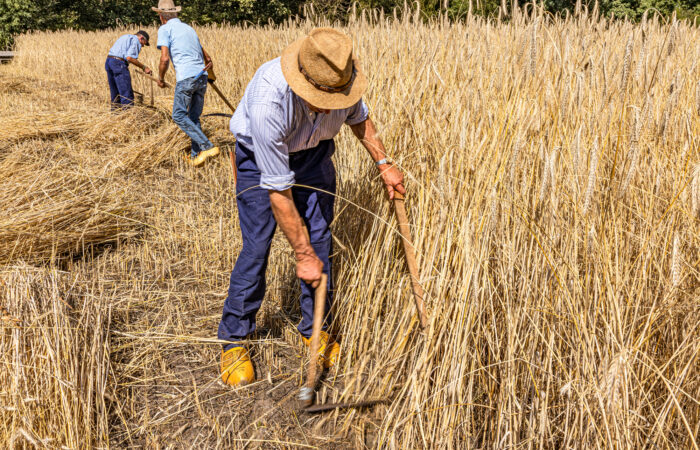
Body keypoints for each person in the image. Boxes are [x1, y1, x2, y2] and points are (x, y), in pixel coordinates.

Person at [218, 28, 406, 387]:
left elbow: (359, 119)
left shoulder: (343, 81)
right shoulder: (268, 100)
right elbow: (278, 191)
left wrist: (384, 164)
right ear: (302, 79)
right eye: (321, 97)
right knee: (257, 246)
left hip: (315, 155)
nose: (330, 104)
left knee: (320, 241)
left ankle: (314, 329)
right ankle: (234, 339)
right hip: (259, 161)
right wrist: (300, 253)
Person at [152, 0, 219, 167]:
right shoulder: (189, 28)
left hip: (187, 78)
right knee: (194, 117)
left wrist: (160, 78)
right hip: (202, 76)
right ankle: (197, 156)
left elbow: (164, 58)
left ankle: (207, 146)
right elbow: (207, 56)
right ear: (175, 13)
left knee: (178, 115)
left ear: (161, 16)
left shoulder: (165, 29)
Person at [105, 30, 151, 109]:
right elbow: (129, 58)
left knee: (115, 92)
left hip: (109, 61)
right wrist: (144, 67)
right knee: (126, 93)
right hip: (119, 64)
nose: (143, 46)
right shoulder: (136, 40)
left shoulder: (125, 37)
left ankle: (115, 115)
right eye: (144, 43)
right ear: (141, 38)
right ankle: (128, 116)